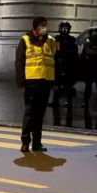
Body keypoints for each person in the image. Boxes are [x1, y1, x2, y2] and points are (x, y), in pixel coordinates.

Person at [15, 16, 58, 153]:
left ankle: (37, 143)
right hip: (31, 81)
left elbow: (55, 59)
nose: (45, 27)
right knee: (29, 112)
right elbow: (19, 62)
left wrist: (55, 81)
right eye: (42, 25)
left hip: (46, 81)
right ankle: (25, 142)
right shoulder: (25, 40)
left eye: (46, 25)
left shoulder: (51, 41)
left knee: (40, 113)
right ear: (36, 27)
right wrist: (21, 81)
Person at [52, 21, 79, 107]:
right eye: (63, 28)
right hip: (59, 64)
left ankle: (69, 102)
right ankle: (55, 101)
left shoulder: (72, 40)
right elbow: (56, 51)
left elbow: (74, 53)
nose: (64, 30)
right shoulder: (57, 39)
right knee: (56, 84)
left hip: (68, 65)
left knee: (68, 85)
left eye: (66, 28)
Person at [80, 27, 97, 109]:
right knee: (88, 87)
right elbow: (85, 54)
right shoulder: (88, 43)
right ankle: (86, 102)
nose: (94, 36)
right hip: (90, 67)